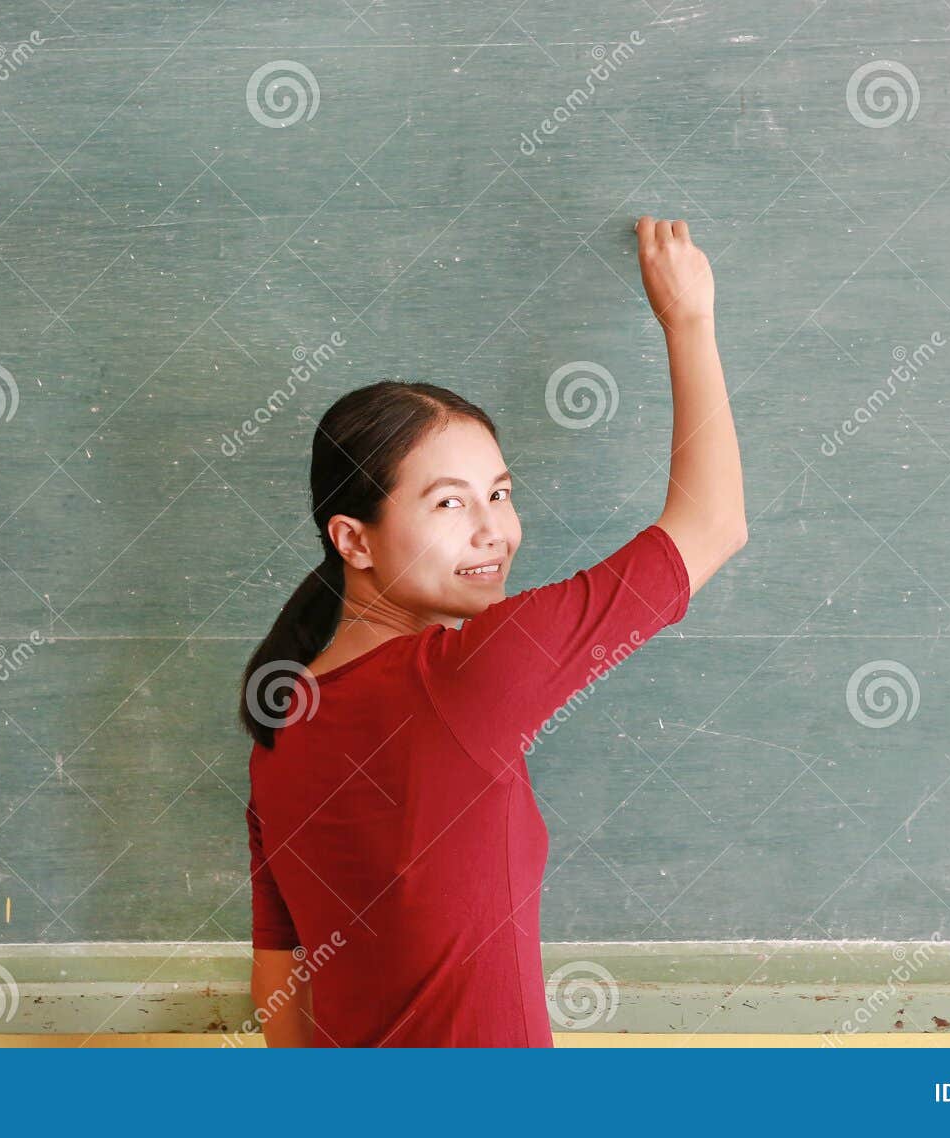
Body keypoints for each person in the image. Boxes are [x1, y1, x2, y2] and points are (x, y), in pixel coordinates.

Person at [238, 216, 747, 1046]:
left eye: (500, 494)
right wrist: (687, 319)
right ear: (353, 540)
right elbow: (714, 524)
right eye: (449, 503)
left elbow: (280, 982)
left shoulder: (279, 726)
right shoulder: (468, 671)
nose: (494, 531)